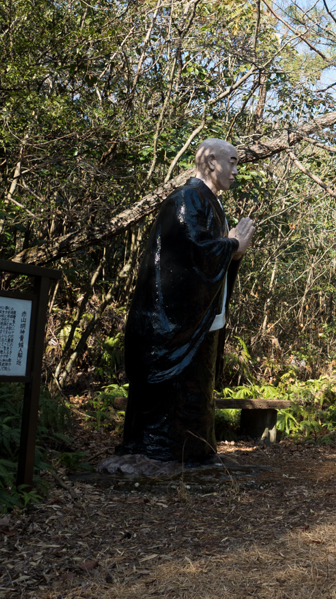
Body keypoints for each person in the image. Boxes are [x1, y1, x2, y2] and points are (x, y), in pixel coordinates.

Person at [117, 138, 256, 464]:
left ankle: (192, 453)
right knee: (174, 400)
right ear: (210, 162)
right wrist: (231, 246)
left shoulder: (209, 203)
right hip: (172, 326)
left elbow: (210, 254)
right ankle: (162, 456)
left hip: (199, 322)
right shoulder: (185, 200)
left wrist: (232, 251)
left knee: (197, 391)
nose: (237, 170)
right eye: (232, 162)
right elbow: (194, 254)